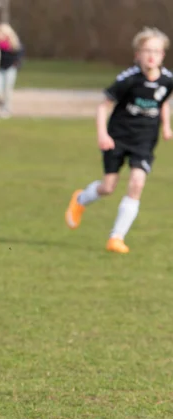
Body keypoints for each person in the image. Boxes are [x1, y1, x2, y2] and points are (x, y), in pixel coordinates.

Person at [65, 27, 173, 254]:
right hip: (117, 138)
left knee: (137, 183)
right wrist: (102, 134)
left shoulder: (167, 80)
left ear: (163, 55)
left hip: (144, 141)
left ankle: (116, 238)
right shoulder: (128, 79)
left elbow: (163, 101)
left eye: (156, 51)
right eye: (146, 50)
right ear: (137, 54)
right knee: (108, 187)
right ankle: (81, 199)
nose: (151, 55)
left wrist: (166, 126)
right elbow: (103, 107)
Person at [0, 23, 24, 118]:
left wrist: (16, 64)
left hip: (10, 70)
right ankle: (2, 107)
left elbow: (19, 56)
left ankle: (6, 109)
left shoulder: (13, 45)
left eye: (0, 33)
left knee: (7, 90)